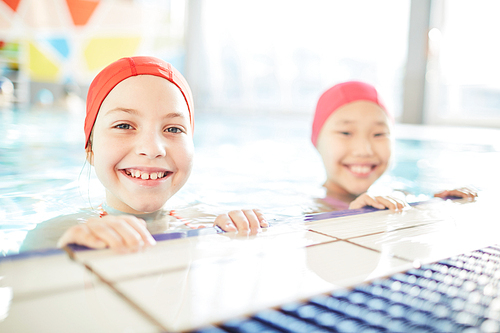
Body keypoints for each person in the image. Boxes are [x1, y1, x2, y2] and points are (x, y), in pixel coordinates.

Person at [57, 56, 267, 252]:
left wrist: (242, 231)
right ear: (90, 149)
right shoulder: (61, 234)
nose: (152, 149)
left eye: (174, 129)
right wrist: (66, 254)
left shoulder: (214, 222)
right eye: (124, 125)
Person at [310, 81, 477, 212]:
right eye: (346, 133)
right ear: (317, 141)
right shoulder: (310, 204)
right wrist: (351, 216)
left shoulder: (398, 193)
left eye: (379, 134)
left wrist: (438, 201)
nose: (364, 150)